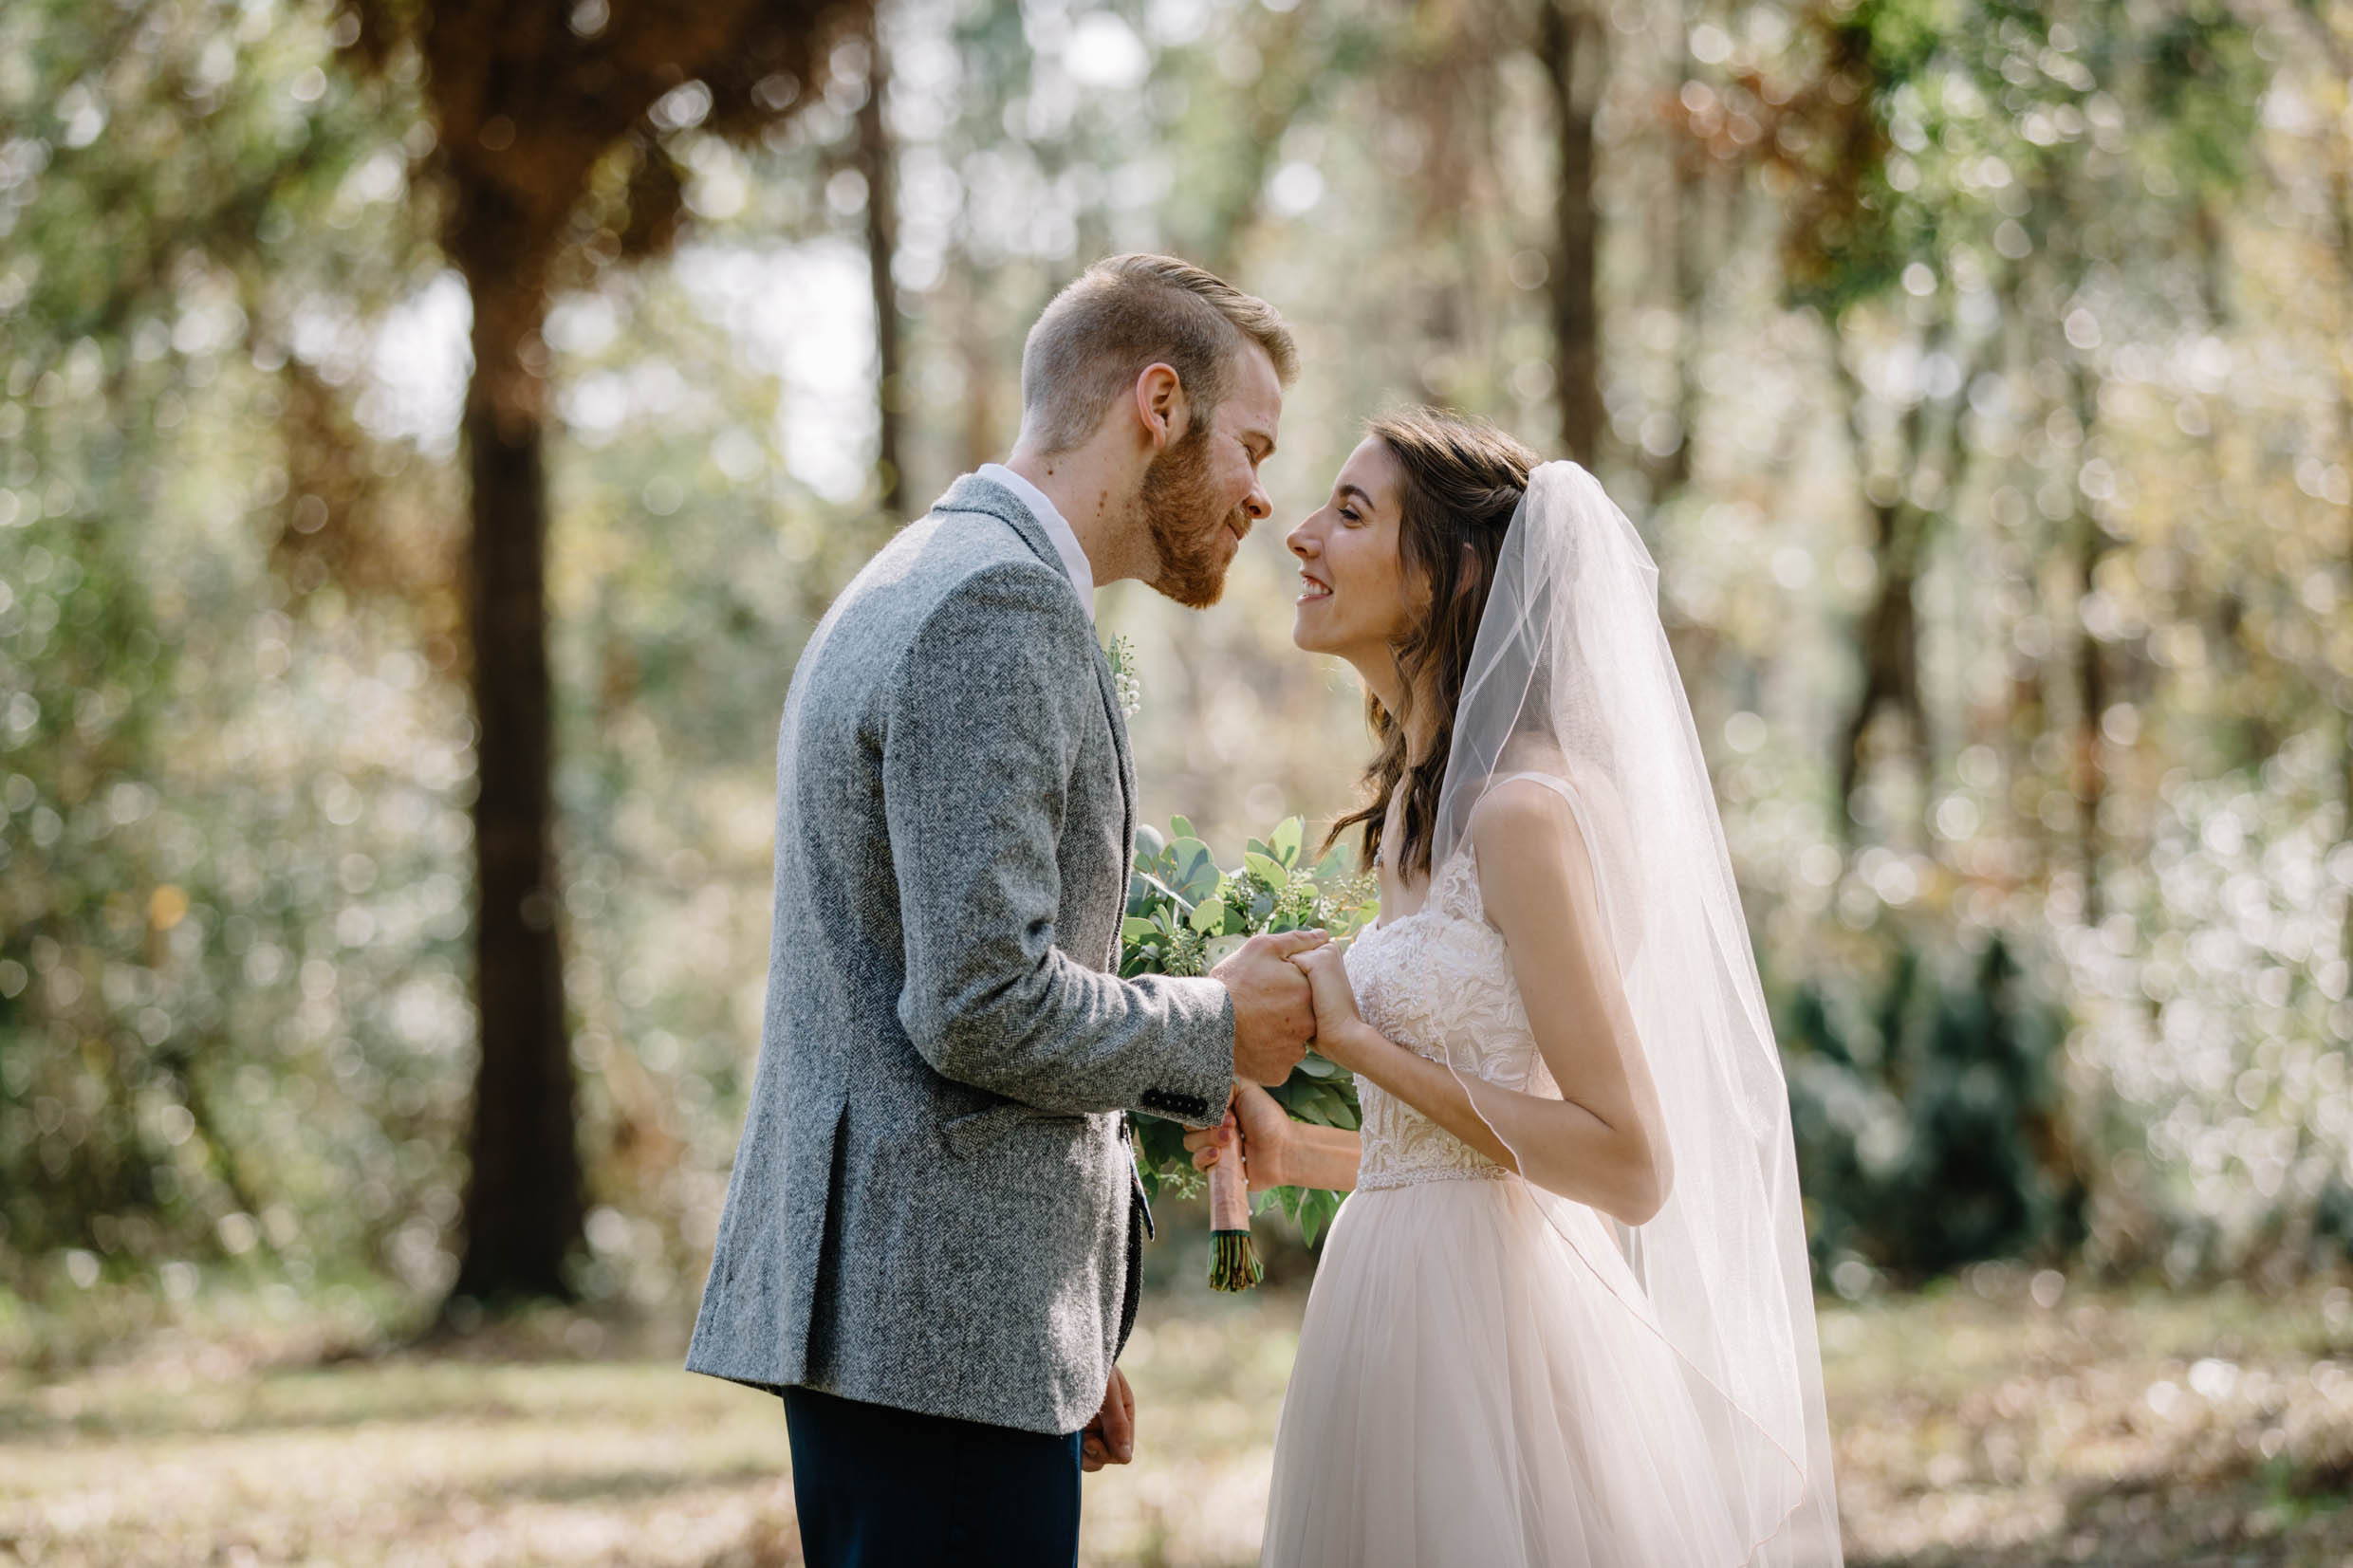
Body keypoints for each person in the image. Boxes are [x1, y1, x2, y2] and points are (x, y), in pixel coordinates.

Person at [685, 253, 1325, 1568]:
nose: (1267, 494)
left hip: (939, 1336)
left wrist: (1063, 1323)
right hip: (934, 1343)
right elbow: (981, 1002)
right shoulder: (1000, 604)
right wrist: (1217, 1027)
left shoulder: (926, 568)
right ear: (1159, 403)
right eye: (1253, 445)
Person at [1189, 409, 1843, 1566]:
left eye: (1348, 512)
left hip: (1499, 1355)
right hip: (1384, 1320)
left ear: (1458, 573)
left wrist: (1358, 1046)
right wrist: (1299, 1153)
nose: (1297, 536)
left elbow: (1623, 1163)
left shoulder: (1526, 814)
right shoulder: (1414, 810)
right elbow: (1471, 1171)